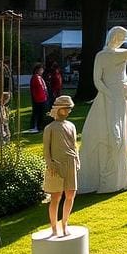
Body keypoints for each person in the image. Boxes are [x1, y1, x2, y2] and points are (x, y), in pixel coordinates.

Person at [78, 0, 127, 193]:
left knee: (119, 134)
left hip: (120, 96)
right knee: (110, 134)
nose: (123, 41)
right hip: (110, 97)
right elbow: (96, 80)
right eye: (122, 38)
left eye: (125, 39)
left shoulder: (118, 54)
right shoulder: (104, 55)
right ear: (114, 37)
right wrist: (108, 94)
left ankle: (115, 178)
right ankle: (107, 177)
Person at [42, 95, 80, 236]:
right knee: (56, 197)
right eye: (66, 108)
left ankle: (64, 224)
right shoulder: (50, 128)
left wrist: (77, 160)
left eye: (70, 109)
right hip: (56, 165)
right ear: (59, 109)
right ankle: (53, 227)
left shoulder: (71, 126)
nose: (69, 111)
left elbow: (74, 145)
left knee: (70, 195)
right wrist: (49, 163)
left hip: (71, 163)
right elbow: (46, 148)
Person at [29, 63, 49, 133]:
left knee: (40, 113)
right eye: (41, 70)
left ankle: (39, 126)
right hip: (39, 99)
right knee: (37, 113)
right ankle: (35, 126)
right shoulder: (35, 78)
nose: (42, 71)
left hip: (42, 98)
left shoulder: (39, 78)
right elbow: (37, 89)